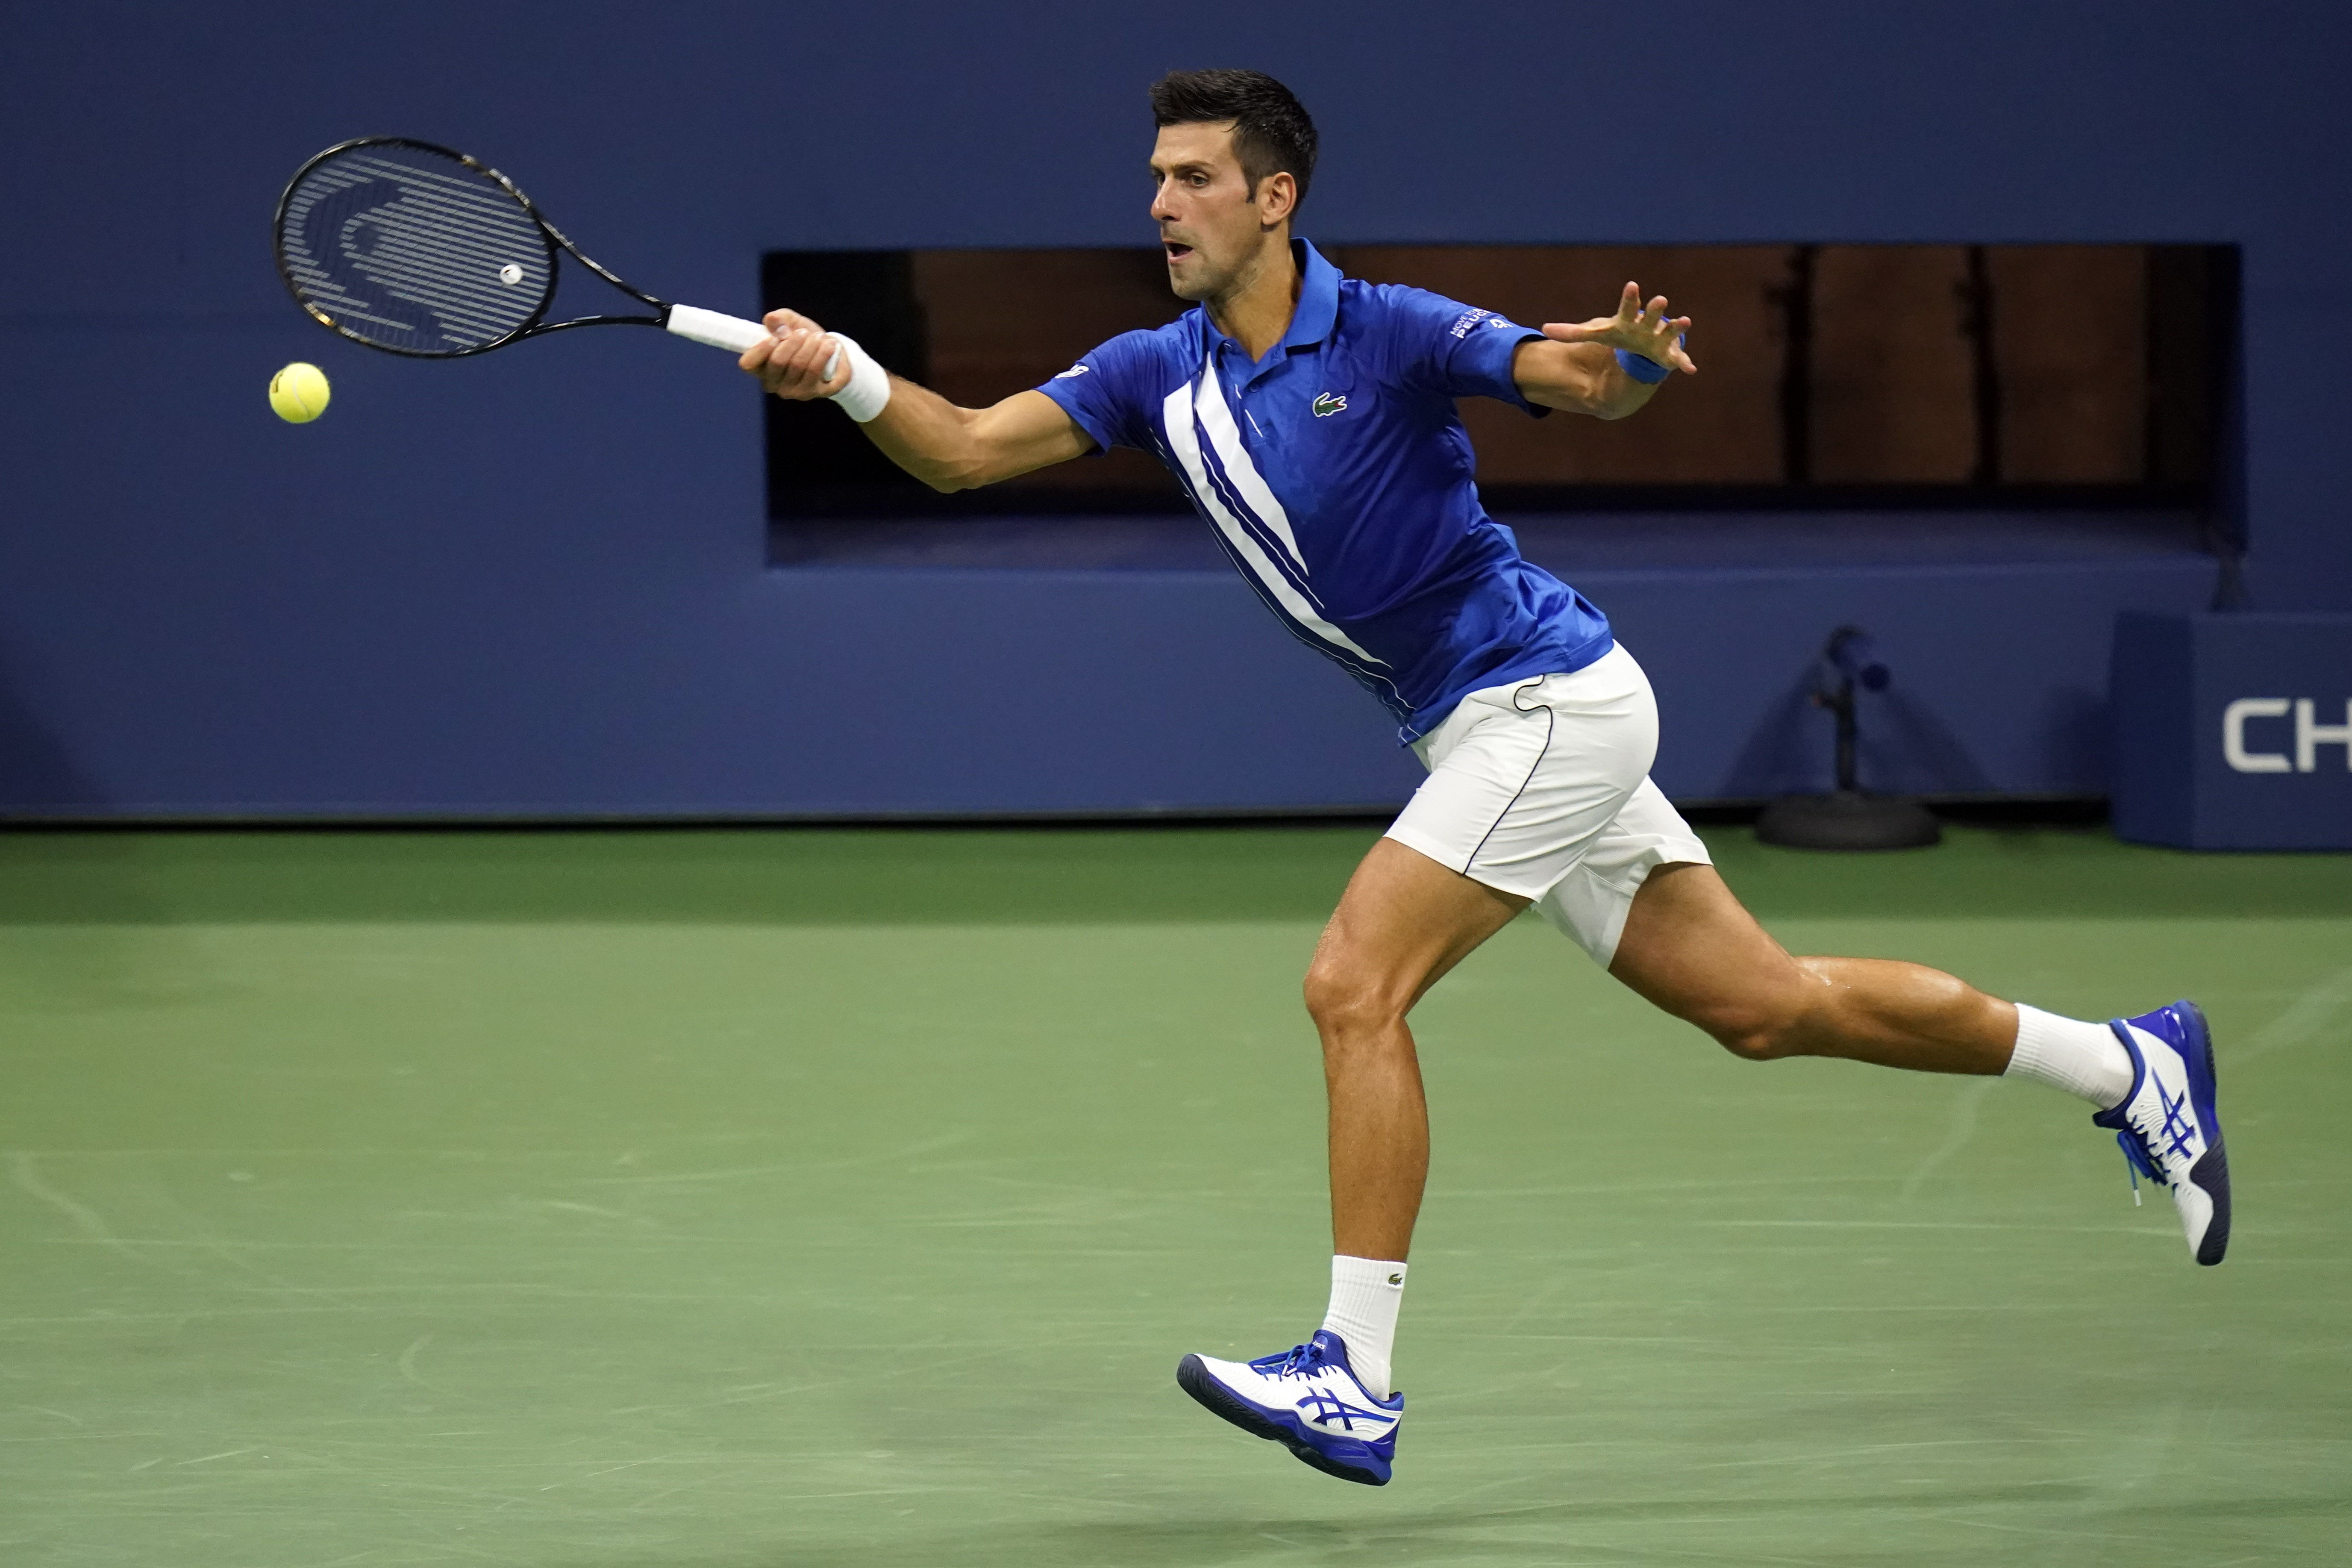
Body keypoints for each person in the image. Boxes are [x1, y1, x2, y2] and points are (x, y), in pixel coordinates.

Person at [741, 68, 2229, 1488]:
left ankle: (1354, 1370)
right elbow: (966, 451)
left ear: (1277, 195)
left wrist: (1625, 368)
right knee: (1768, 1011)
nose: (1162, 206)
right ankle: (2126, 1063)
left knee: (1352, 985)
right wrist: (850, 372)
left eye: (1193, 180)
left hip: (1550, 708)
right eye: (1154, 181)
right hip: (1484, 731)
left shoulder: (1386, 329)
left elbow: (1568, 372)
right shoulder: (1154, 374)